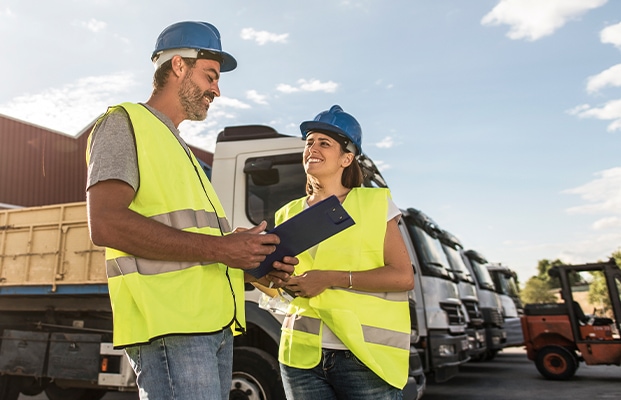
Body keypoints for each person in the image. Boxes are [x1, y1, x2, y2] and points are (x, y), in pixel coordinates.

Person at [86, 21, 295, 400]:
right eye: (210, 76)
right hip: (172, 328)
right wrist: (221, 249)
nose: (217, 89)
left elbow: (200, 246)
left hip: (212, 326)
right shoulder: (124, 123)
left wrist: (251, 260)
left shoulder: (183, 151)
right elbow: (106, 223)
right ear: (178, 66)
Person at [275, 105, 415, 399]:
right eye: (309, 142)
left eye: (324, 143)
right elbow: (285, 285)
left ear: (347, 157)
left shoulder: (375, 204)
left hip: (362, 356)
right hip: (300, 354)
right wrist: (276, 278)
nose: (312, 148)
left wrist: (328, 278)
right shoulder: (287, 214)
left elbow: (403, 277)